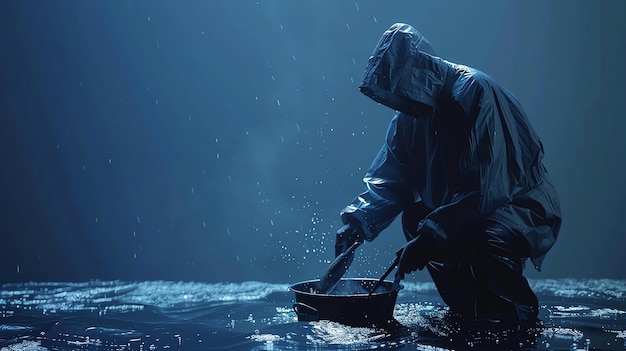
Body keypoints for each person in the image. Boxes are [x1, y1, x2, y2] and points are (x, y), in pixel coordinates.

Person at [335, 23, 561, 324]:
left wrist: (431, 236)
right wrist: (357, 225)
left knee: (483, 238)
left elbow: (486, 188)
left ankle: (514, 317)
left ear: (416, 74)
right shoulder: (411, 119)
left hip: (516, 206)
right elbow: (391, 180)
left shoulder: (474, 93)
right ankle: (468, 309)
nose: (398, 100)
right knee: (416, 219)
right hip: (462, 212)